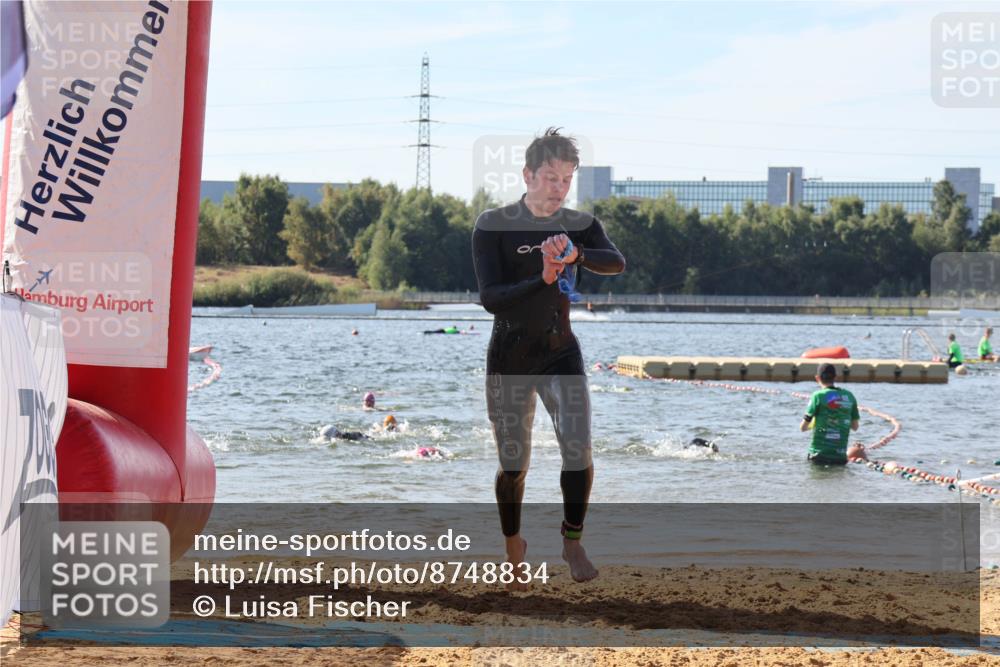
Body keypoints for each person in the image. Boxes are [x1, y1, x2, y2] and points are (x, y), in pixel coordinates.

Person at [472, 127, 625, 588]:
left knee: (579, 449)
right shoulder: (492, 224)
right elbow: (492, 298)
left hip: (561, 354)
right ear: (528, 174)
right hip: (510, 356)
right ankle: (513, 543)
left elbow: (615, 262)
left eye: (566, 179)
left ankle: (572, 540)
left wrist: (577, 252)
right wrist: (543, 276)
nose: (559, 188)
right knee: (514, 464)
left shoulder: (578, 224)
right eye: (551, 177)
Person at [799, 363, 860, 465]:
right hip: (840, 458)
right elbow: (855, 427)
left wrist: (815, 422)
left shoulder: (817, 396)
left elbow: (803, 428)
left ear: (817, 378)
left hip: (818, 455)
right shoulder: (849, 396)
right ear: (835, 377)